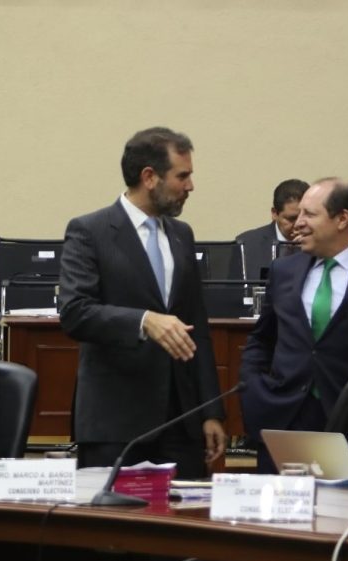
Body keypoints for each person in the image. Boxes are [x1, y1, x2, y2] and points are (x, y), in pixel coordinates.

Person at [59, 127, 227, 479]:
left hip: (182, 421)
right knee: (112, 531)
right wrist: (144, 320)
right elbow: (75, 312)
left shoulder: (182, 235)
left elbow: (198, 325)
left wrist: (211, 411)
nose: (190, 186)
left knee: (185, 526)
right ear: (149, 177)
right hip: (116, 421)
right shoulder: (90, 231)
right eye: (183, 176)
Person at [239, 177, 348, 472]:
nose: (298, 223)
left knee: (342, 516)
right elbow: (261, 339)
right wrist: (254, 390)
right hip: (283, 417)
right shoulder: (283, 271)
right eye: (298, 214)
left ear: (342, 218)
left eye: (309, 214)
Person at [235, 178, 310, 279]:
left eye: (306, 217)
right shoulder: (247, 244)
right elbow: (232, 292)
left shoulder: (321, 245)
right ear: (274, 213)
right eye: (291, 219)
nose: (299, 224)